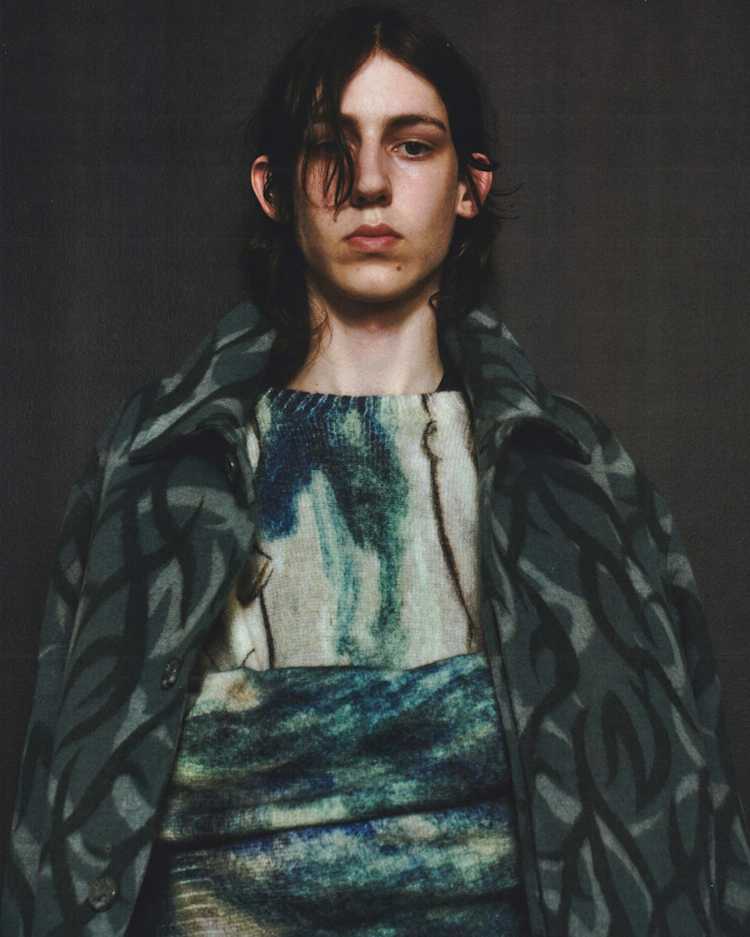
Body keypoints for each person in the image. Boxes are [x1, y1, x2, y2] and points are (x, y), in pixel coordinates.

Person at [3, 3, 749, 936]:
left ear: (470, 186)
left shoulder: (579, 479)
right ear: (273, 187)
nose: (367, 183)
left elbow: (687, 822)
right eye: (330, 145)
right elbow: (62, 821)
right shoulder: (155, 470)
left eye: (412, 145)